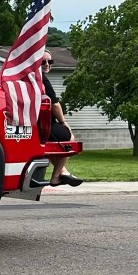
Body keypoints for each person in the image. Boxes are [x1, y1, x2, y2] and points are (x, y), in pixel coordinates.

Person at [42, 51, 83, 187]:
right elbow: (54, 104)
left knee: (55, 145)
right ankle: (55, 178)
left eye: (50, 62)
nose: (47, 65)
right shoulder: (41, 79)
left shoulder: (31, 78)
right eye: (43, 62)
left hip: (36, 125)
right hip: (43, 125)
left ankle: (63, 172)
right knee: (68, 140)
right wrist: (64, 122)